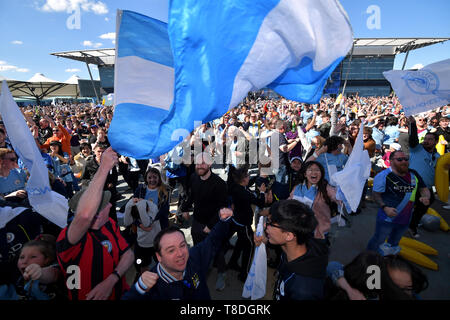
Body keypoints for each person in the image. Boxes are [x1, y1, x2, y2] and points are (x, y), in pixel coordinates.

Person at [56, 147, 134, 300]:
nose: (111, 206)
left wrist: (112, 279)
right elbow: (84, 216)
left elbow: (129, 255)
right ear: (95, 214)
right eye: (106, 204)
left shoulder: (110, 223)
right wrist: (104, 167)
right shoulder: (69, 238)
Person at [122, 208, 234, 300]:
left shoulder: (194, 257)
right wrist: (138, 290)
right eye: (171, 250)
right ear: (158, 257)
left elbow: (212, 240)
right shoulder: (152, 287)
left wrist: (224, 220)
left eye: (182, 245)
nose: (180, 254)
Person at [255, 200, 329, 300]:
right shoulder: (293, 248)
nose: (265, 225)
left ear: (289, 235)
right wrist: (264, 241)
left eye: (270, 223)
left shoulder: (303, 291)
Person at [180, 152, 229, 291]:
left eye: (203, 163)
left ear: (210, 164)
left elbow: (222, 208)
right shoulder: (194, 177)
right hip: (197, 221)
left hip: (214, 225)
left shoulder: (219, 184)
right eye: (197, 163)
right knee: (199, 249)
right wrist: (185, 208)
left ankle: (222, 272)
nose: (199, 166)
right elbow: (190, 195)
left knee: (217, 250)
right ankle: (201, 271)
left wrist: (210, 226)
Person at [367, 150, 430, 254]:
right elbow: (376, 195)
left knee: (394, 242)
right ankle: (368, 259)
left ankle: (389, 258)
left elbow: (423, 189)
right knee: (378, 240)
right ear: (391, 161)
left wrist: (425, 197)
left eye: (406, 159)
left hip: (405, 219)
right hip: (387, 219)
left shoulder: (414, 174)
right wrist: (385, 207)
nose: (404, 161)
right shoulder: (383, 176)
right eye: (399, 159)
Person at [227, 165, 270, 282]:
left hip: (237, 220)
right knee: (249, 246)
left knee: (240, 242)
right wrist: (262, 192)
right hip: (244, 225)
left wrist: (258, 176)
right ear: (243, 179)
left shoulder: (236, 186)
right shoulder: (245, 194)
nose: (249, 176)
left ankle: (232, 262)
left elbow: (249, 182)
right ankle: (244, 274)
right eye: (247, 175)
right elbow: (260, 203)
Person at [0, 235, 64, 300]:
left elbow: (54, 274)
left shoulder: (54, 270)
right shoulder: (17, 279)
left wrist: (41, 273)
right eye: (22, 257)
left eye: (33, 257)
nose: (24, 261)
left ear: (47, 259)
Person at [289, 161, 339, 241]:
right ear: (305, 174)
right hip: (299, 230)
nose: (314, 172)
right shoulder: (298, 188)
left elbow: (338, 197)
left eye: (317, 170)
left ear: (321, 174)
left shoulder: (325, 188)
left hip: (318, 232)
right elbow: (289, 203)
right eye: (310, 170)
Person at [408, 116, 439, 237]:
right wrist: (412, 124)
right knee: (406, 206)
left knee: (424, 205)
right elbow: (413, 139)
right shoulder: (417, 148)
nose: (426, 140)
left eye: (430, 139)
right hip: (412, 184)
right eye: (425, 138)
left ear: (435, 142)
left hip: (427, 187)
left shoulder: (437, 156)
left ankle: (412, 226)